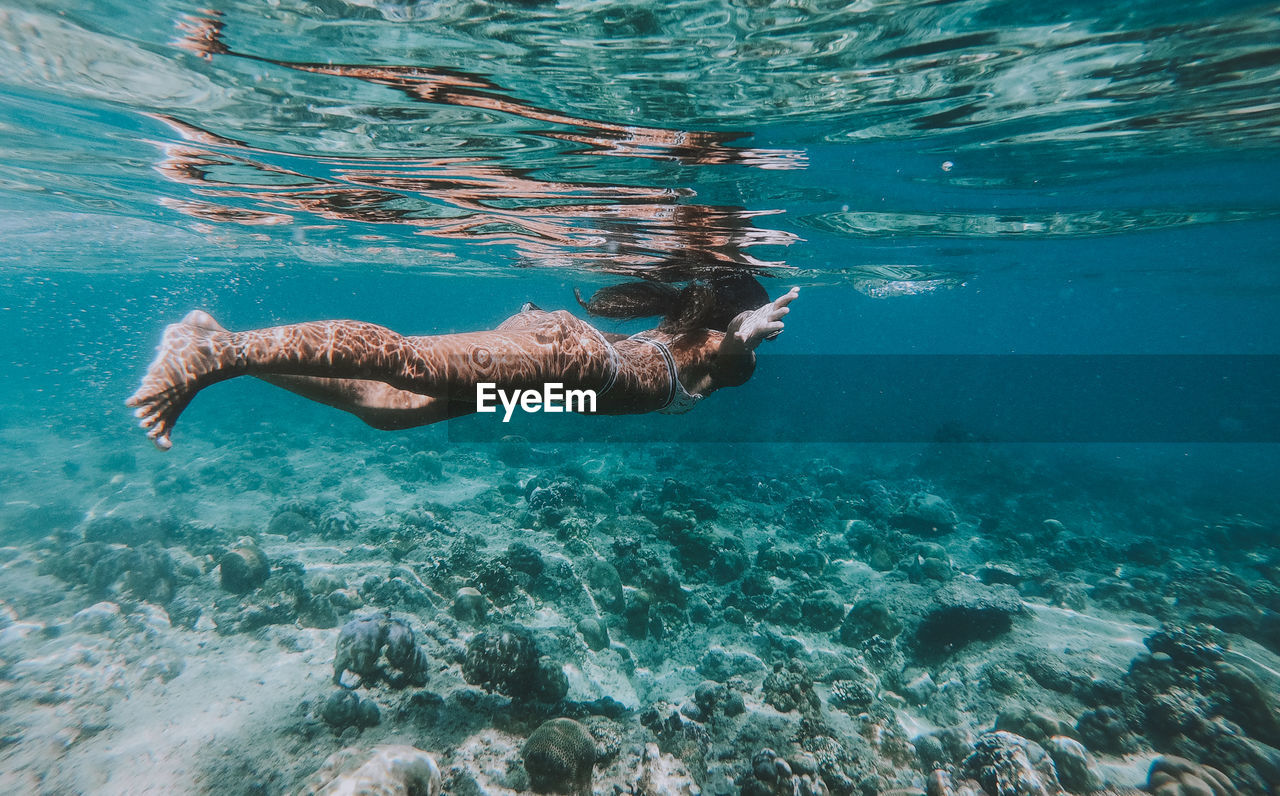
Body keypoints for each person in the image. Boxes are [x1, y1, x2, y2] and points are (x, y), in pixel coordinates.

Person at [126, 275, 798, 450]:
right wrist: (747, 327)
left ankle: (222, 342)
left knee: (387, 411)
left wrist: (520, 403)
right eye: (754, 328)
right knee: (410, 365)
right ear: (723, 325)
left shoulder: (720, 363)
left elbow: (737, 356)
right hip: (566, 359)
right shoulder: (724, 349)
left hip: (561, 388)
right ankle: (214, 351)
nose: (764, 342)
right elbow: (737, 342)